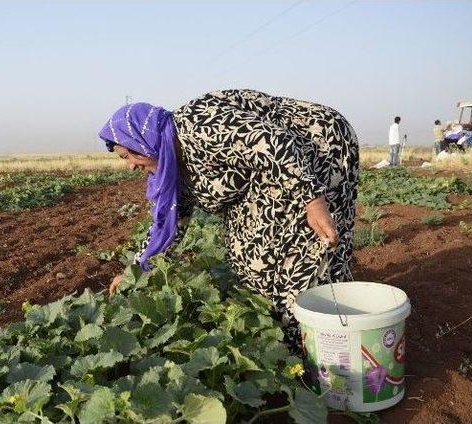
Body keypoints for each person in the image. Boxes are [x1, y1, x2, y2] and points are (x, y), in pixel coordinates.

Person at [98, 89, 359, 351]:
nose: (130, 165)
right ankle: (279, 339)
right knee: (247, 253)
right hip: (261, 172)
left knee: (305, 245)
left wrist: (312, 199)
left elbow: (272, 143)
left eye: (127, 155)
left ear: (143, 139)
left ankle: (323, 341)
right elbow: (169, 223)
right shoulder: (171, 164)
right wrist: (136, 269)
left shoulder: (197, 126)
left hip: (316, 146)